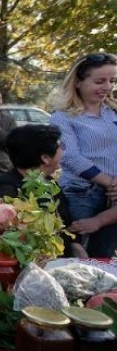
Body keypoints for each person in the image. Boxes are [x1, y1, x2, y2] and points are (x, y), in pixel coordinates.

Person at [50, 52, 117, 257]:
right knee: (77, 256)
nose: (107, 87)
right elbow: (70, 157)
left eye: (112, 81)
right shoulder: (62, 116)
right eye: (99, 81)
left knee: (104, 257)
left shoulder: (113, 112)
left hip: (113, 197)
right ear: (78, 82)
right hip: (80, 194)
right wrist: (111, 182)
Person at [0, 124, 87, 258]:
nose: (62, 150)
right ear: (45, 157)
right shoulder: (6, 188)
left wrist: (74, 244)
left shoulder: (49, 183)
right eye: (60, 146)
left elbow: (64, 223)